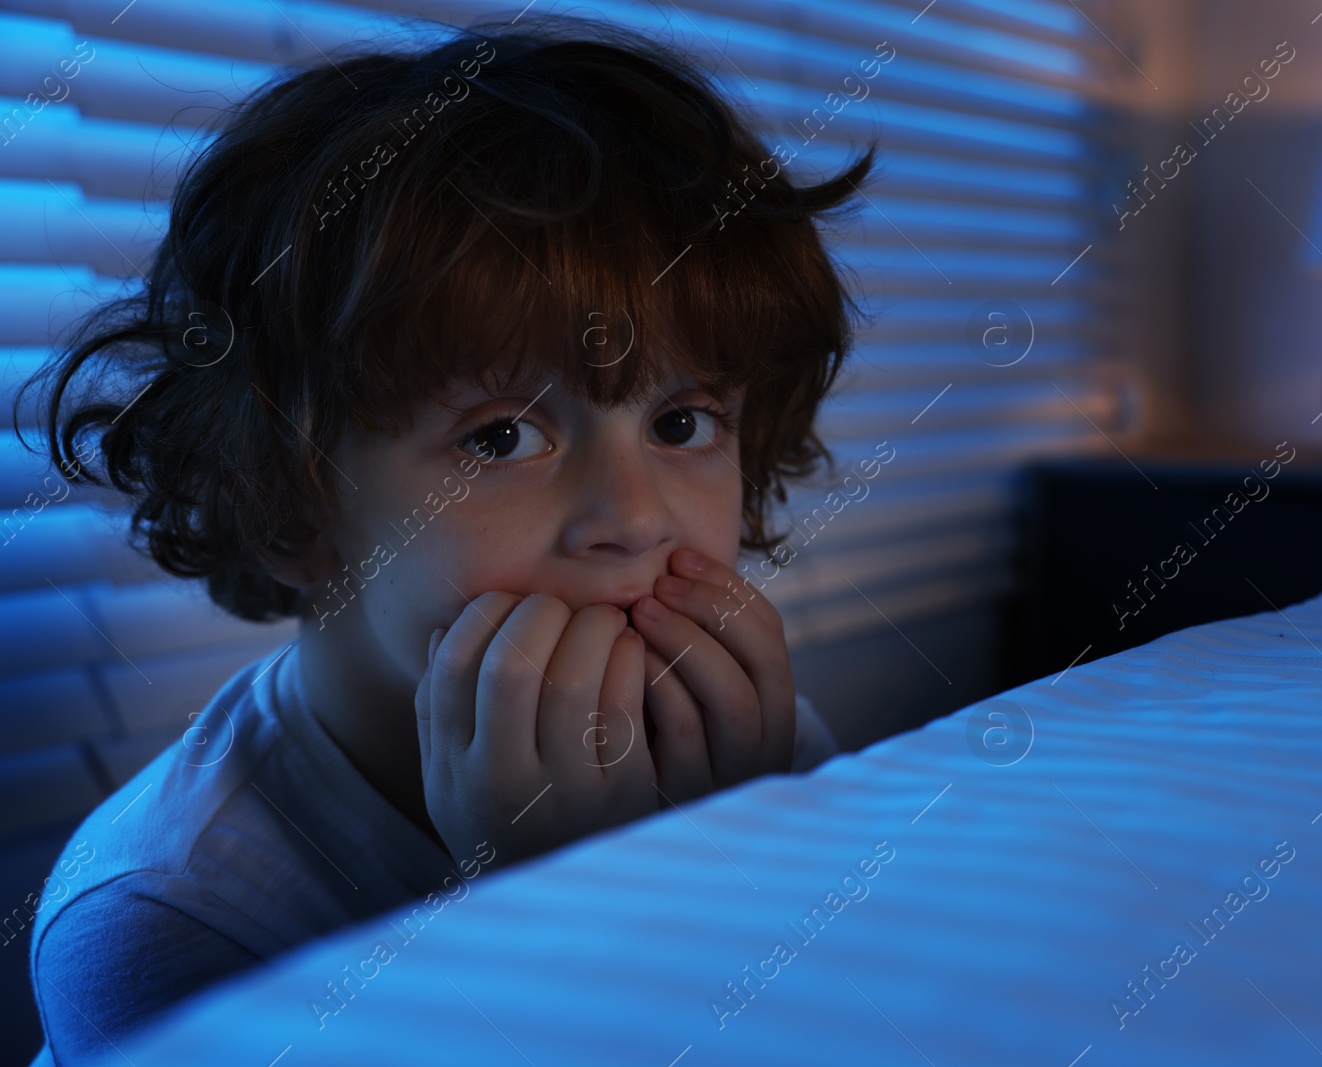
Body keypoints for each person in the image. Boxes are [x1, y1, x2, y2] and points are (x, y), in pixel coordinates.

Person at [21, 12, 876, 1063]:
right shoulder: (170, 915)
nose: (634, 516)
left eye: (680, 422)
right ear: (292, 504)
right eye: (503, 434)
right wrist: (558, 919)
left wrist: (749, 840)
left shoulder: (719, 734)